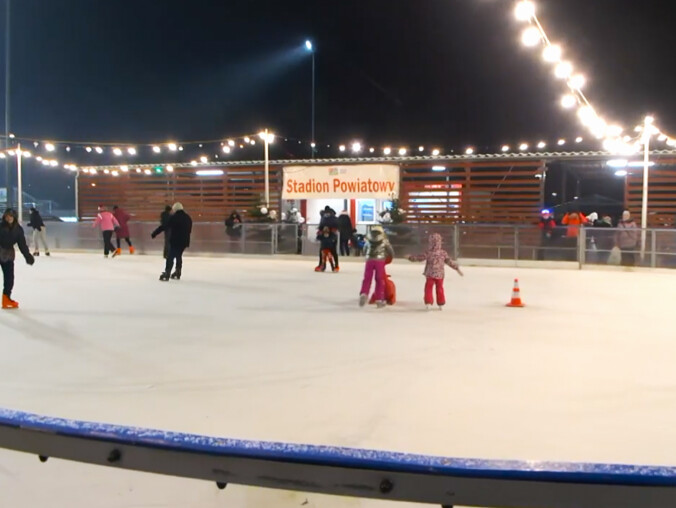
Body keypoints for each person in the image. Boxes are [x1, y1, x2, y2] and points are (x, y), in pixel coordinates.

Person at [409, 233, 463, 310]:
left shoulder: (428, 252)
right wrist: (457, 268)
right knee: (439, 288)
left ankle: (428, 301)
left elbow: (419, 258)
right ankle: (441, 302)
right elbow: (449, 262)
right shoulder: (443, 253)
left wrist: (410, 258)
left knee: (428, 288)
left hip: (430, 274)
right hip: (440, 275)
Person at [0, 208, 35, 309]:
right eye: (7, 216)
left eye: (11, 216)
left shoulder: (18, 229)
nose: (9, 218)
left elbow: (22, 244)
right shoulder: (0, 226)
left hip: (8, 255)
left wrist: (27, 255)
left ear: (14, 217)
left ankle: (6, 299)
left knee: (9, 278)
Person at [151, 202, 192, 281]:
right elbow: (189, 229)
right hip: (185, 241)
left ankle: (167, 273)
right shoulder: (188, 217)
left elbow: (164, 226)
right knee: (178, 255)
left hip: (176, 240)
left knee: (170, 256)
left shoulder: (174, 217)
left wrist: (154, 233)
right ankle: (178, 271)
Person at [359, 226, 394, 308]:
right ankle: (379, 299)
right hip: (380, 261)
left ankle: (364, 293)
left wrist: (367, 256)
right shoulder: (384, 241)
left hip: (369, 260)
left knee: (367, 278)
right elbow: (390, 251)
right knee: (379, 279)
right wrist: (390, 257)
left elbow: (364, 250)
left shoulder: (368, 240)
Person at [317, 206, 340, 271]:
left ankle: (321, 265)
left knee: (322, 250)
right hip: (332, 235)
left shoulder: (323, 217)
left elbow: (320, 226)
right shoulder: (334, 217)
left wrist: (320, 233)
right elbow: (337, 226)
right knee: (333, 251)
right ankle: (336, 266)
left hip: (324, 235)